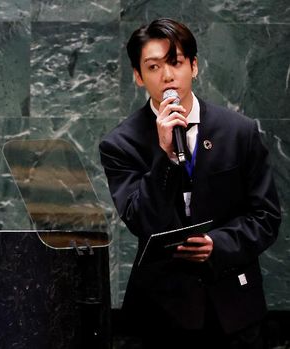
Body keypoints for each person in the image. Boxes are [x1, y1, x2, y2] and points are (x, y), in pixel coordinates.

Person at [99, 18, 280, 348]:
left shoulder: (238, 131)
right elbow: (141, 220)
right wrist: (165, 155)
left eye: (176, 62)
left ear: (194, 66)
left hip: (235, 310)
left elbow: (266, 218)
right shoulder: (120, 144)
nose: (167, 76)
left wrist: (217, 244)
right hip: (161, 313)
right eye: (153, 66)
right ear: (139, 76)